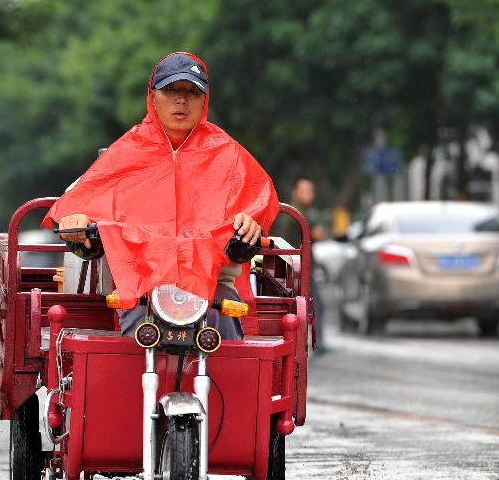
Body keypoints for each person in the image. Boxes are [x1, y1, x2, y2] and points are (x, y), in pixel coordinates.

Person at [44, 52, 279, 339]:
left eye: (192, 92)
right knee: (130, 347)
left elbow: (257, 204)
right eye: (170, 90)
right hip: (141, 287)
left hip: (213, 287)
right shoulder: (126, 151)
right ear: (152, 96)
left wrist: (250, 225)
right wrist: (75, 221)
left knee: (234, 357)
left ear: (205, 100)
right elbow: (80, 203)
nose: (181, 100)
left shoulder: (229, 155)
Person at [277, 176, 327, 354]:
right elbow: (318, 235)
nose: (309, 195)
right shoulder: (297, 213)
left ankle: (309, 343)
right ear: (294, 192)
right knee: (312, 305)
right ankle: (315, 344)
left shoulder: (300, 212)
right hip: (298, 267)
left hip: (298, 266)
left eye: (310, 191)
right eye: (304, 191)